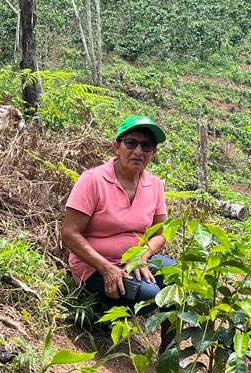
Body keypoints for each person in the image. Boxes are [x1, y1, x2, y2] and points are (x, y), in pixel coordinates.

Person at [61, 115, 174, 313]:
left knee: (179, 279)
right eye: (131, 143)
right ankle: (104, 318)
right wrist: (106, 268)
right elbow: (70, 234)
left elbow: (160, 234)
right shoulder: (93, 180)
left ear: (153, 152)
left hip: (135, 261)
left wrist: (142, 256)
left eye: (146, 146)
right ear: (116, 146)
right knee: (150, 296)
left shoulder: (154, 184)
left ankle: (169, 344)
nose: (138, 151)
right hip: (95, 265)